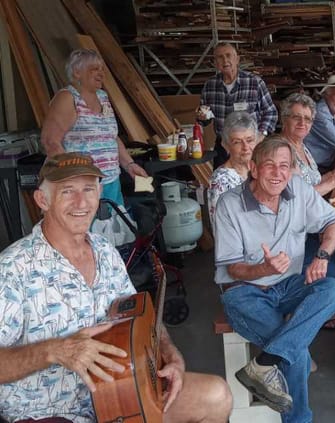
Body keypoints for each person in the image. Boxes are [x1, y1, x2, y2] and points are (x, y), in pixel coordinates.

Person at [0, 153, 232, 423]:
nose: (81, 202)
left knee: (216, 395)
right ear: (43, 200)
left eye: (88, 189)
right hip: (49, 412)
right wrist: (55, 350)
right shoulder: (12, 269)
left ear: (99, 193)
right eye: (67, 191)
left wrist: (170, 355)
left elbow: (139, 316)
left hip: (123, 391)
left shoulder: (104, 250)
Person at [214, 137, 335, 422]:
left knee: (332, 289)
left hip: (288, 284)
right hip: (244, 292)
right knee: (294, 351)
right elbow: (233, 269)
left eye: (284, 166)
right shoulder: (229, 205)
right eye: (269, 166)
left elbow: (334, 222)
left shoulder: (297, 189)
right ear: (253, 168)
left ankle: (264, 363)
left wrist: (321, 256)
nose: (277, 173)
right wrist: (263, 269)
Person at [40, 49, 148, 207]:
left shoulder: (103, 97)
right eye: (94, 69)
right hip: (79, 187)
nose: (101, 74)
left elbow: (111, 136)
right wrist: (73, 179)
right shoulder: (68, 98)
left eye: (102, 69)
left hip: (111, 181)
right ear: (77, 73)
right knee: (82, 230)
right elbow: (50, 142)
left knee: (113, 229)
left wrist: (129, 165)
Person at [197, 42, 278, 167]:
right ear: (215, 63)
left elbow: (270, 112)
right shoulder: (210, 86)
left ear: (237, 59)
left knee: (252, 183)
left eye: (229, 55)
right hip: (224, 147)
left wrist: (260, 135)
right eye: (220, 57)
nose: (225, 60)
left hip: (250, 146)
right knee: (223, 182)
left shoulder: (254, 82)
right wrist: (202, 117)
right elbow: (205, 118)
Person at [207, 111, 263, 233]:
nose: (245, 147)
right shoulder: (221, 180)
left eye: (249, 140)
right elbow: (224, 229)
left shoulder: (259, 170)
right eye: (237, 142)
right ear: (226, 146)